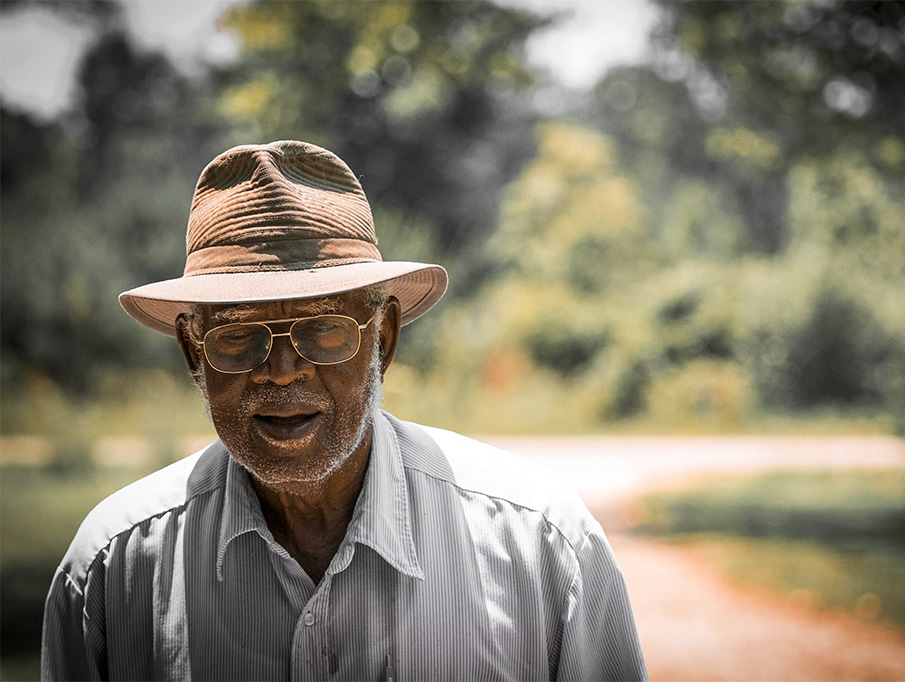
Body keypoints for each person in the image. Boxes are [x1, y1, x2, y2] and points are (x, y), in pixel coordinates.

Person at [41, 140, 648, 681]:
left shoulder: (539, 543)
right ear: (191, 352)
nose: (282, 371)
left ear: (383, 338)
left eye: (324, 330)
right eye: (238, 336)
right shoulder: (111, 569)